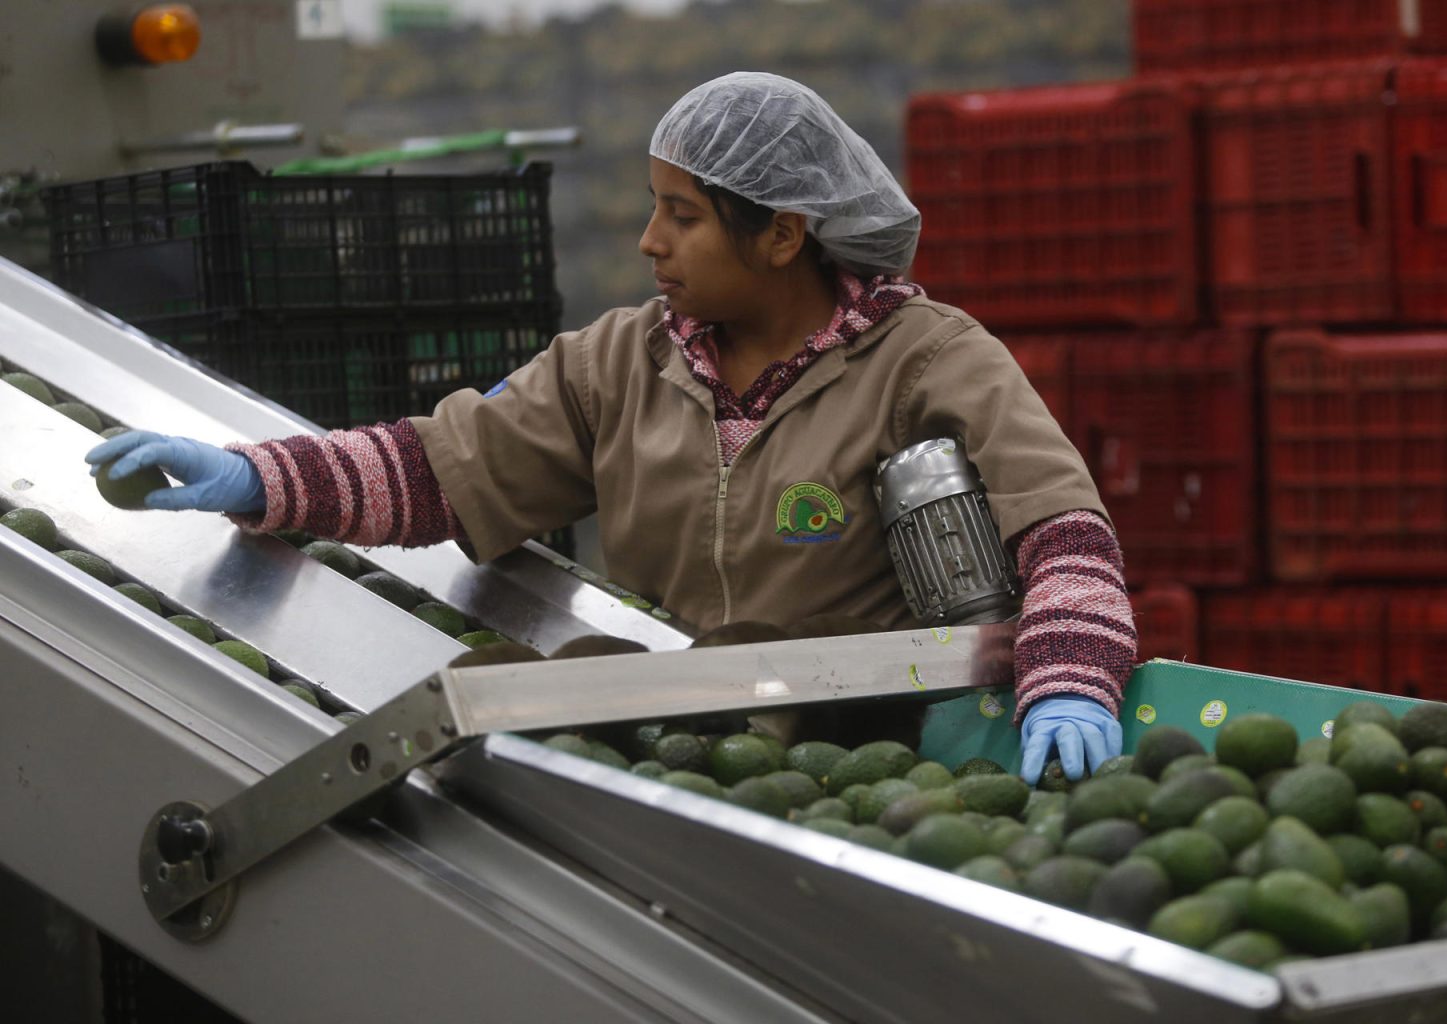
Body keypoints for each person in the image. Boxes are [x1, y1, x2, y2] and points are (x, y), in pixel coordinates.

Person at [85, 72, 1135, 784]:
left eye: (681, 215)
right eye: (651, 207)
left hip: (869, 755)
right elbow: (445, 469)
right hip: (677, 740)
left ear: (780, 233)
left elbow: (1061, 531)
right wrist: (259, 477)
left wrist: (1070, 679)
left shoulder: (925, 357)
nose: (647, 241)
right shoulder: (623, 362)